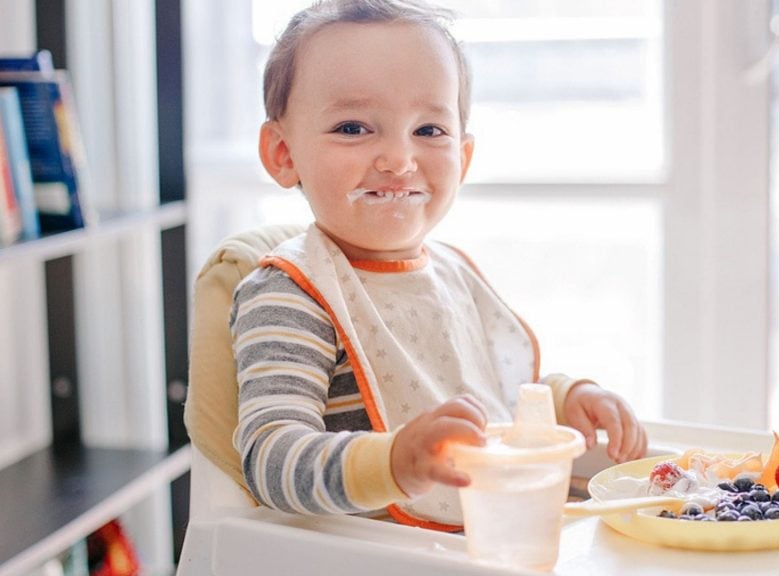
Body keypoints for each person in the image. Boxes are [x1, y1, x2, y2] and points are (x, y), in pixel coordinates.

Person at [231, 0, 647, 529]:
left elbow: (491, 391)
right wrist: (395, 461)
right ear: (283, 154)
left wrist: (564, 401)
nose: (399, 160)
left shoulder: (452, 273)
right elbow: (270, 459)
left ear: (464, 158)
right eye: (354, 128)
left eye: (429, 131)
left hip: (492, 538)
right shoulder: (291, 292)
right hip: (375, 556)